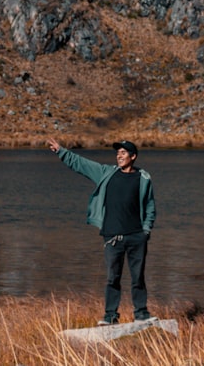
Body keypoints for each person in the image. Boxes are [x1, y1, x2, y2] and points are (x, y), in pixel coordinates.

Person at [47, 137, 156, 325]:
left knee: (138, 277)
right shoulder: (107, 173)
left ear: (133, 156)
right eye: (117, 153)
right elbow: (82, 164)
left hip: (136, 236)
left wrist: (146, 230)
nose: (119, 156)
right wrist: (61, 151)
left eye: (123, 153)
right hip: (112, 236)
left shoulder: (143, 178)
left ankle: (141, 314)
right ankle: (111, 316)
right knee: (113, 278)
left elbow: (150, 206)